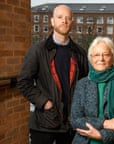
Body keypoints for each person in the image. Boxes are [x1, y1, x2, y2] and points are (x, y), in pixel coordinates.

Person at [17, 5, 88, 144]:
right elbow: (24, 82)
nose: (64, 21)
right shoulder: (38, 50)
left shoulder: (80, 53)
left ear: (72, 22)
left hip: (71, 123)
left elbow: (85, 83)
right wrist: (44, 103)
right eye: (60, 17)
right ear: (52, 21)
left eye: (68, 18)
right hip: (44, 122)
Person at [71, 36, 114, 144]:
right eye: (96, 55)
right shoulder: (82, 84)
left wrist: (102, 136)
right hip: (86, 141)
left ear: (113, 57)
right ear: (91, 58)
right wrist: (105, 123)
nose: (101, 59)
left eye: (106, 54)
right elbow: (76, 120)